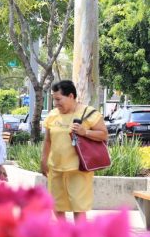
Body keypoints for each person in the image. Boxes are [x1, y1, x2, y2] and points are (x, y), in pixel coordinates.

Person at [41, 80, 108, 219]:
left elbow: (103, 135)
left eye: (59, 99)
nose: (56, 103)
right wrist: (44, 160)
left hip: (78, 169)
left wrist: (85, 132)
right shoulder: (53, 115)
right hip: (56, 168)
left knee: (78, 207)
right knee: (57, 206)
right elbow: (48, 140)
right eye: (54, 100)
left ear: (71, 96)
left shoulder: (89, 113)